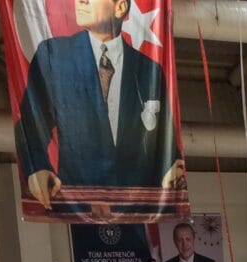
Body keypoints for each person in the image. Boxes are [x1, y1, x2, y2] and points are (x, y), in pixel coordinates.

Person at [15, 0, 182, 209]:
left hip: (139, 207)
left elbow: (165, 139)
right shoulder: (54, 56)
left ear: (120, 7)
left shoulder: (150, 70)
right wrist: (36, 167)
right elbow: (30, 124)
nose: (80, 1)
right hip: (77, 204)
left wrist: (171, 164)